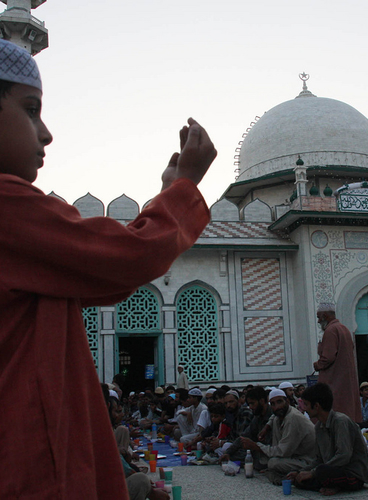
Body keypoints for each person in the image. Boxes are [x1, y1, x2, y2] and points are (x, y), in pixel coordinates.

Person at [0, 40, 216, 499]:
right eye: (30, 109)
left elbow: (108, 275)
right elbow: (128, 257)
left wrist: (166, 193)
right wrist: (186, 188)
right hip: (28, 461)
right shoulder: (8, 208)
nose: (45, 133)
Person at [287, 383, 368, 496]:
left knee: (321, 472)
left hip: (352, 474)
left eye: (306, 404)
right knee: (299, 480)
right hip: (331, 470)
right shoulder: (318, 427)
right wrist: (300, 472)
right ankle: (330, 484)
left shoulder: (341, 421)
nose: (304, 409)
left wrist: (313, 473)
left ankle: (332, 484)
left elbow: (344, 455)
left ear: (316, 406)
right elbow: (319, 459)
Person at [241, 389, 316, 485]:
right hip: (291, 456)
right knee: (264, 461)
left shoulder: (292, 418)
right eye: (273, 404)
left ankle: (283, 475)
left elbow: (282, 452)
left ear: (287, 401)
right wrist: (267, 427)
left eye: (280, 402)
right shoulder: (278, 416)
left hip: (307, 460)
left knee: (273, 463)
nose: (277, 407)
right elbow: (273, 418)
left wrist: (256, 446)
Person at [314, 303, 362, 422]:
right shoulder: (343, 328)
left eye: (319, 317)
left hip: (335, 381)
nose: (319, 321)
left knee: (334, 414)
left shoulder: (331, 330)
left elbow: (328, 357)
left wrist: (317, 365)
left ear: (325, 316)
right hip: (345, 380)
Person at [218, 385, 273, 466]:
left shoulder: (273, 416)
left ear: (261, 401)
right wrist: (228, 453)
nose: (250, 407)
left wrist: (255, 446)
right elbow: (243, 437)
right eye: (249, 404)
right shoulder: (257, 417)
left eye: (252, 403)